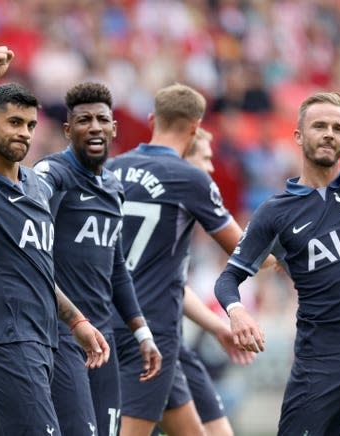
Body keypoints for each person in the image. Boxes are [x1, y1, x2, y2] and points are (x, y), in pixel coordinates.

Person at [0, 46, 110, 435]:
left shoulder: (36, 186)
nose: (24, 133)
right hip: (4, 338)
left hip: (42, 337)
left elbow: (38, 271)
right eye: (14, 122)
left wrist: (76, 320)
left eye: (30, 125)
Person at [105, 83, 245, 436]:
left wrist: (215, 327)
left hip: (106, 318)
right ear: (196, 127)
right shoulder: (188, 178)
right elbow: (243, 251)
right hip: (152, 331)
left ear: (153, 119)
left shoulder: (111, 169)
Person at [214, 91, 340, 434]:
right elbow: (227, 279)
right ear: (297, 136)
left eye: (338, 128)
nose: (329, 133)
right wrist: (238, 311)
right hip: (320, 362)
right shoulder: (275, 213)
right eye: (319, 125)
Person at [33, 81, 162, 436]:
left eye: (102, 119)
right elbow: (29, 204)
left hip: (103, 338)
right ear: (67, 129)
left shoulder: (113, 187)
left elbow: (117, 268)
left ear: (113, 128)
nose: (94, 127)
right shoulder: (54, 174)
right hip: (60, 333)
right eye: (84, 119)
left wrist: (142, 333)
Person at [158, 127, 255, 436]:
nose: (212, 168)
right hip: (148, 341)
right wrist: (280, 247)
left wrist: (217, 328)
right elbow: (244, 249)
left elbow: (171, 282)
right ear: (184, 159)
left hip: (174, 345)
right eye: (206, 159)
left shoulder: (178, 218)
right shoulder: (170, 212)